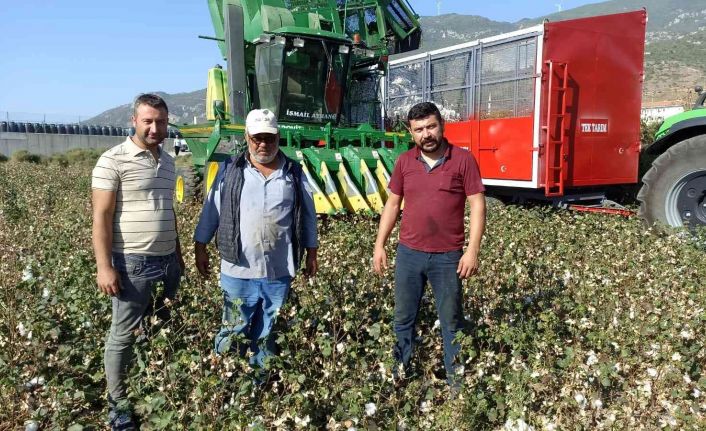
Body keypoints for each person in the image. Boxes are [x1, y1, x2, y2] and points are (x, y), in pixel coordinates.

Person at [193, 108, 318, 373]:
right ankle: (227, 381)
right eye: (257, 138)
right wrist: (200, 246)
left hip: (278, 271)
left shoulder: (293, 173)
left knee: (268, 332)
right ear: (247, 137)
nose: (263, 144)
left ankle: (259, 382)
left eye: (269, 138)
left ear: (278, 137)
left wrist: (312, 253)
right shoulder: (230, 170)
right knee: (233, 330)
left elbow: (307, 216)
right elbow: (211, 210)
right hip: (238, 270)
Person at [372, 101, 486, 388]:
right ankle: (400, 377)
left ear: (442, 126)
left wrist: (472, 250)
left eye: (431, 126)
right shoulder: (405, 162)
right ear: (411, 134)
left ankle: (456, 386)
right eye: (419, 129)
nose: (426, 134)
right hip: (409, 254)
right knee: (403, 319)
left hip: (448, 257)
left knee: (451, 323)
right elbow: (393, 204)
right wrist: (380, 244)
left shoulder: (463, 160)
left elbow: (477, 205)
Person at [92, 93, 184, 430]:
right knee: (123, 334)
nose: (155, 127)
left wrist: (178, 254)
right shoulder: (112, 160)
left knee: (159, 327)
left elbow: (168, 210)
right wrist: (105, 267)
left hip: (167, 261)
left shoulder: (169, 160)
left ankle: (150, 385)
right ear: (134, 120)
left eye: (160, 121)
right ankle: (118, 406)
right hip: (133, 263)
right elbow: (100, 217)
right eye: (148, 120)